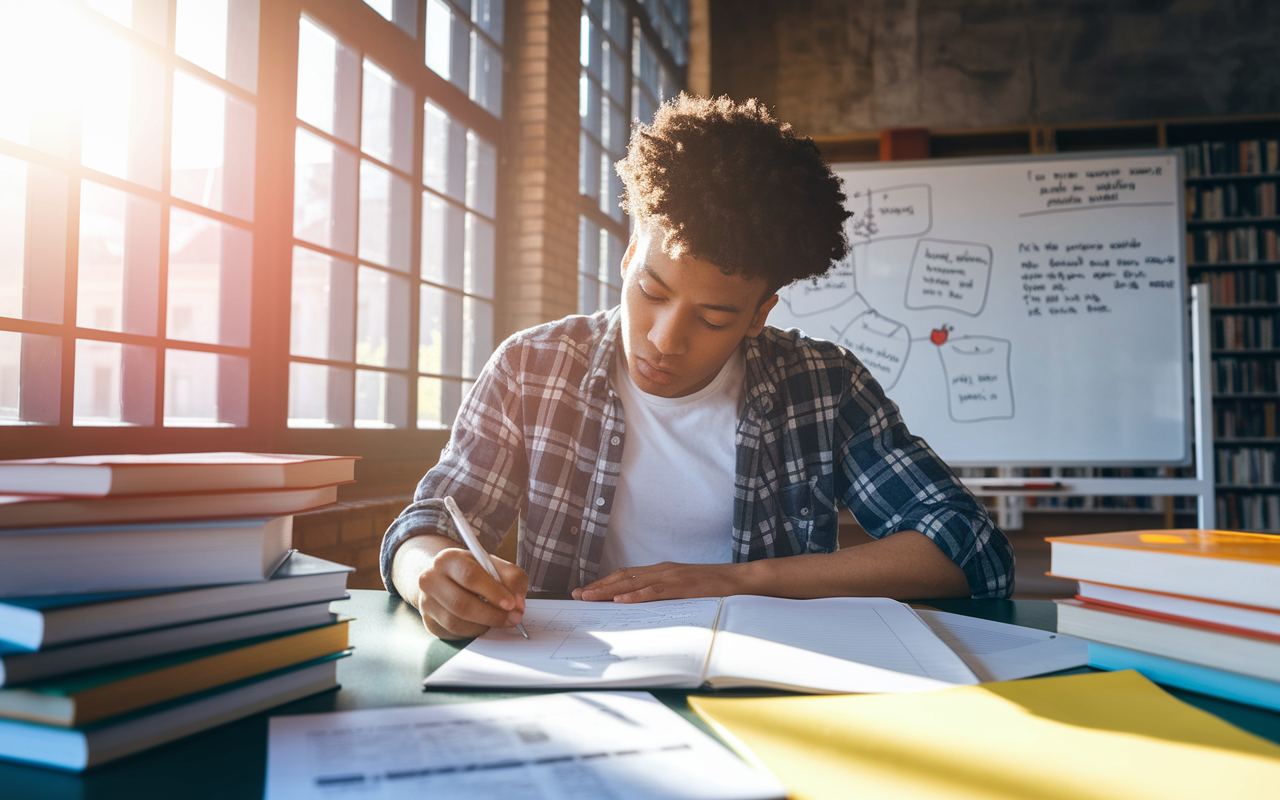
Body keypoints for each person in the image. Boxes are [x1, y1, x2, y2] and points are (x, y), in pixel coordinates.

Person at [382, 94, 1013, 639]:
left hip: (764, 681)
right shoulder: (533, 369)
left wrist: (738, 582)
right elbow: (431, 522)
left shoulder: (824, 385)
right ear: (629, 256)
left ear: (759, 314)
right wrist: (427, 574)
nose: (663, 339)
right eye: (651, 292)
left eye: (713, 319)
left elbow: (970, 548)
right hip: (572, 679)